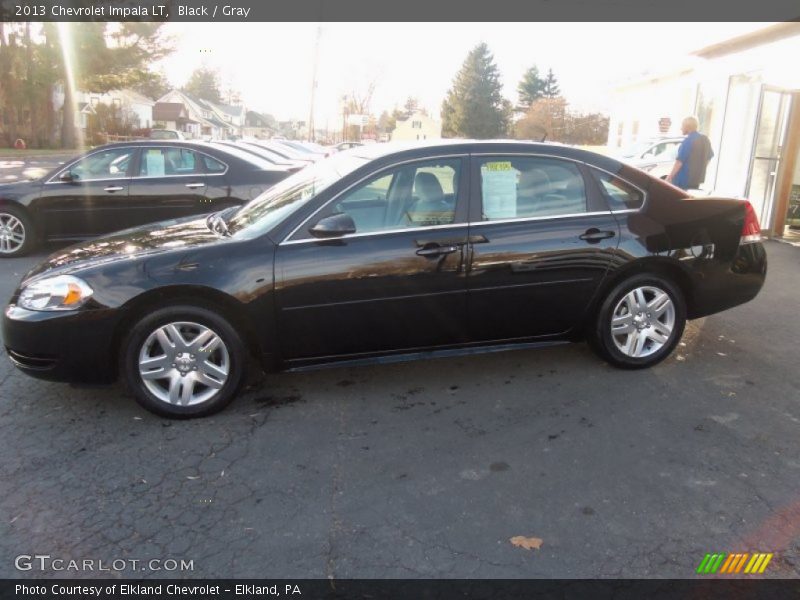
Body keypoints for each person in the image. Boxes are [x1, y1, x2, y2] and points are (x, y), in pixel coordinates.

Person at [666, 116, 714, 190]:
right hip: (696, 181)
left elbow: (679, 162)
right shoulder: (705, 139)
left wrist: (669, 177)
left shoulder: (688, 141)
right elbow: (709, 158)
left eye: (682, 126)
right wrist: (699, 170)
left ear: (688, 127)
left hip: (682, 181)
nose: (681, 128)